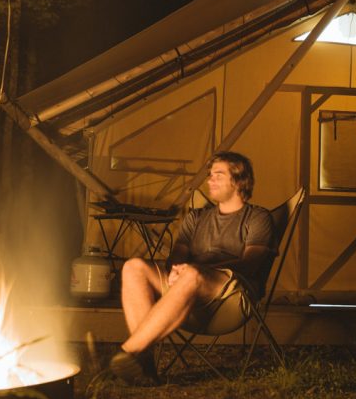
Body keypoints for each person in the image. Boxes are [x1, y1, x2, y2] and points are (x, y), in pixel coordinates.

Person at [110, 151, 273, 383]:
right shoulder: (196, 217)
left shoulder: (258, 217)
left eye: (218, 175)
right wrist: (178, 270)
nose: (210, 180)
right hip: (184, 292)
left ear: (238, 180)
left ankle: (127, 352)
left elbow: (250, 263)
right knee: (133, 267)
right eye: (210, 175)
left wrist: (193, 270)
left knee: (193, 274)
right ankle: (143, 365)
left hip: (229, 297)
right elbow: (176, 258)